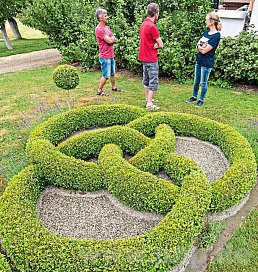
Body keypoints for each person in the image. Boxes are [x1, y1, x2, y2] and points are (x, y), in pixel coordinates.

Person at [186, 12, 222, 107]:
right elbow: (197, 46)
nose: (205, 21)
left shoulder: (216, 36)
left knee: (203, 83)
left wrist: (200, 48)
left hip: (207, 63)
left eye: (207, 20)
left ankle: (201, 99)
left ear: (211, 22)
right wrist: (200, 47)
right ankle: (194, 96)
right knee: (196, 81)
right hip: (199, 61)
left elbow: (204, 50)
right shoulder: (206, 33)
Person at [138, 3, 164, 110]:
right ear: (156, 14)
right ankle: (149, 104)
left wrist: (152, 45)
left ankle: (147, 98)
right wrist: (155, 46)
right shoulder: (152, 27)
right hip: (151, 57)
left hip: (144, 56)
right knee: (153, 80)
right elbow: (161, 44)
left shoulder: (143, 24)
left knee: (146, 79)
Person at [95, 8, 123, 96]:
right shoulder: (99, 29)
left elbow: (113, 38)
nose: (107, 17)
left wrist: (112, 39)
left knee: (112, 73)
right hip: (104, 56)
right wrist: (111, 39)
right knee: (106, 75)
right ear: (100, 18)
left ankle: (114, 88)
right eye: (105, 16)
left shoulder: (107, 28)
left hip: (111, 54)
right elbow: (110, 41)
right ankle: (99, 90)